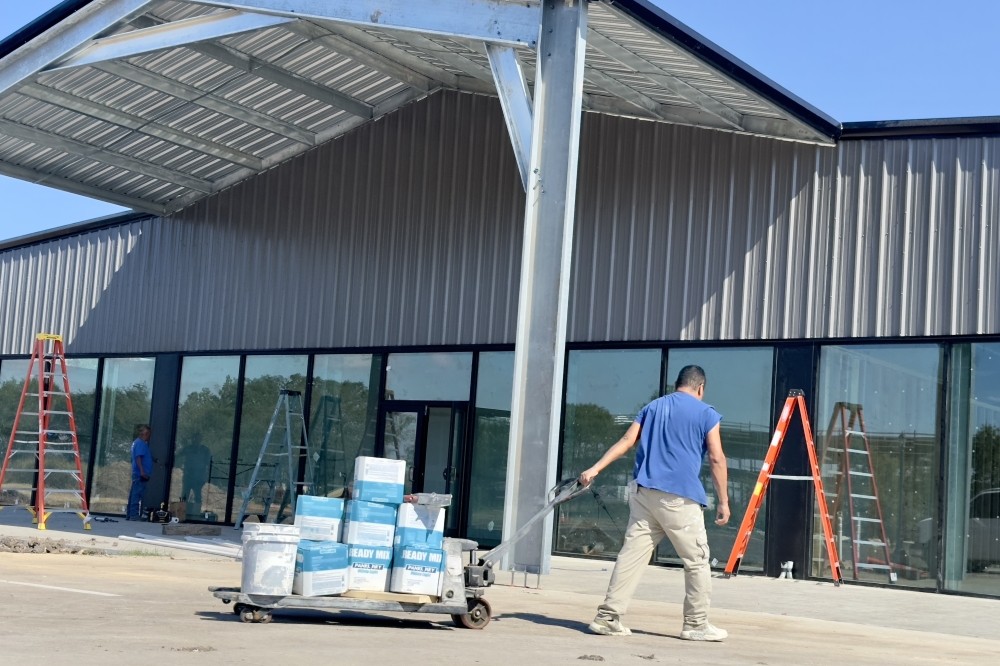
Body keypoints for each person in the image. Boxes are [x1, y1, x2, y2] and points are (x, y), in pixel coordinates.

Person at [579, 365, 730, 642]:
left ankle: (608, 617)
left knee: (632, 556)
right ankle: (696, 624)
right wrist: (724, 501)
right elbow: (717, 458)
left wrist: (595, 468)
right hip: (679, 499)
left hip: (643, 494)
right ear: (701, 388)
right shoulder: (707, 413)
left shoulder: (652, 407)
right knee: (696, 561)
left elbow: (626, 441)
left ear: (677, 385)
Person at [127, 425, 153, 521]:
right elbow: (139, 458)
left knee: (134, 494)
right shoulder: (141, 444)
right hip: (139, 474)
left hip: (137, 473)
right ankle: (133, 515)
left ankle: (130, 514)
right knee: (137, 494)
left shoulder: (136, 443)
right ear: (145, 433)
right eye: (149, 434)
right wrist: (142, 471)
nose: (150, 436)